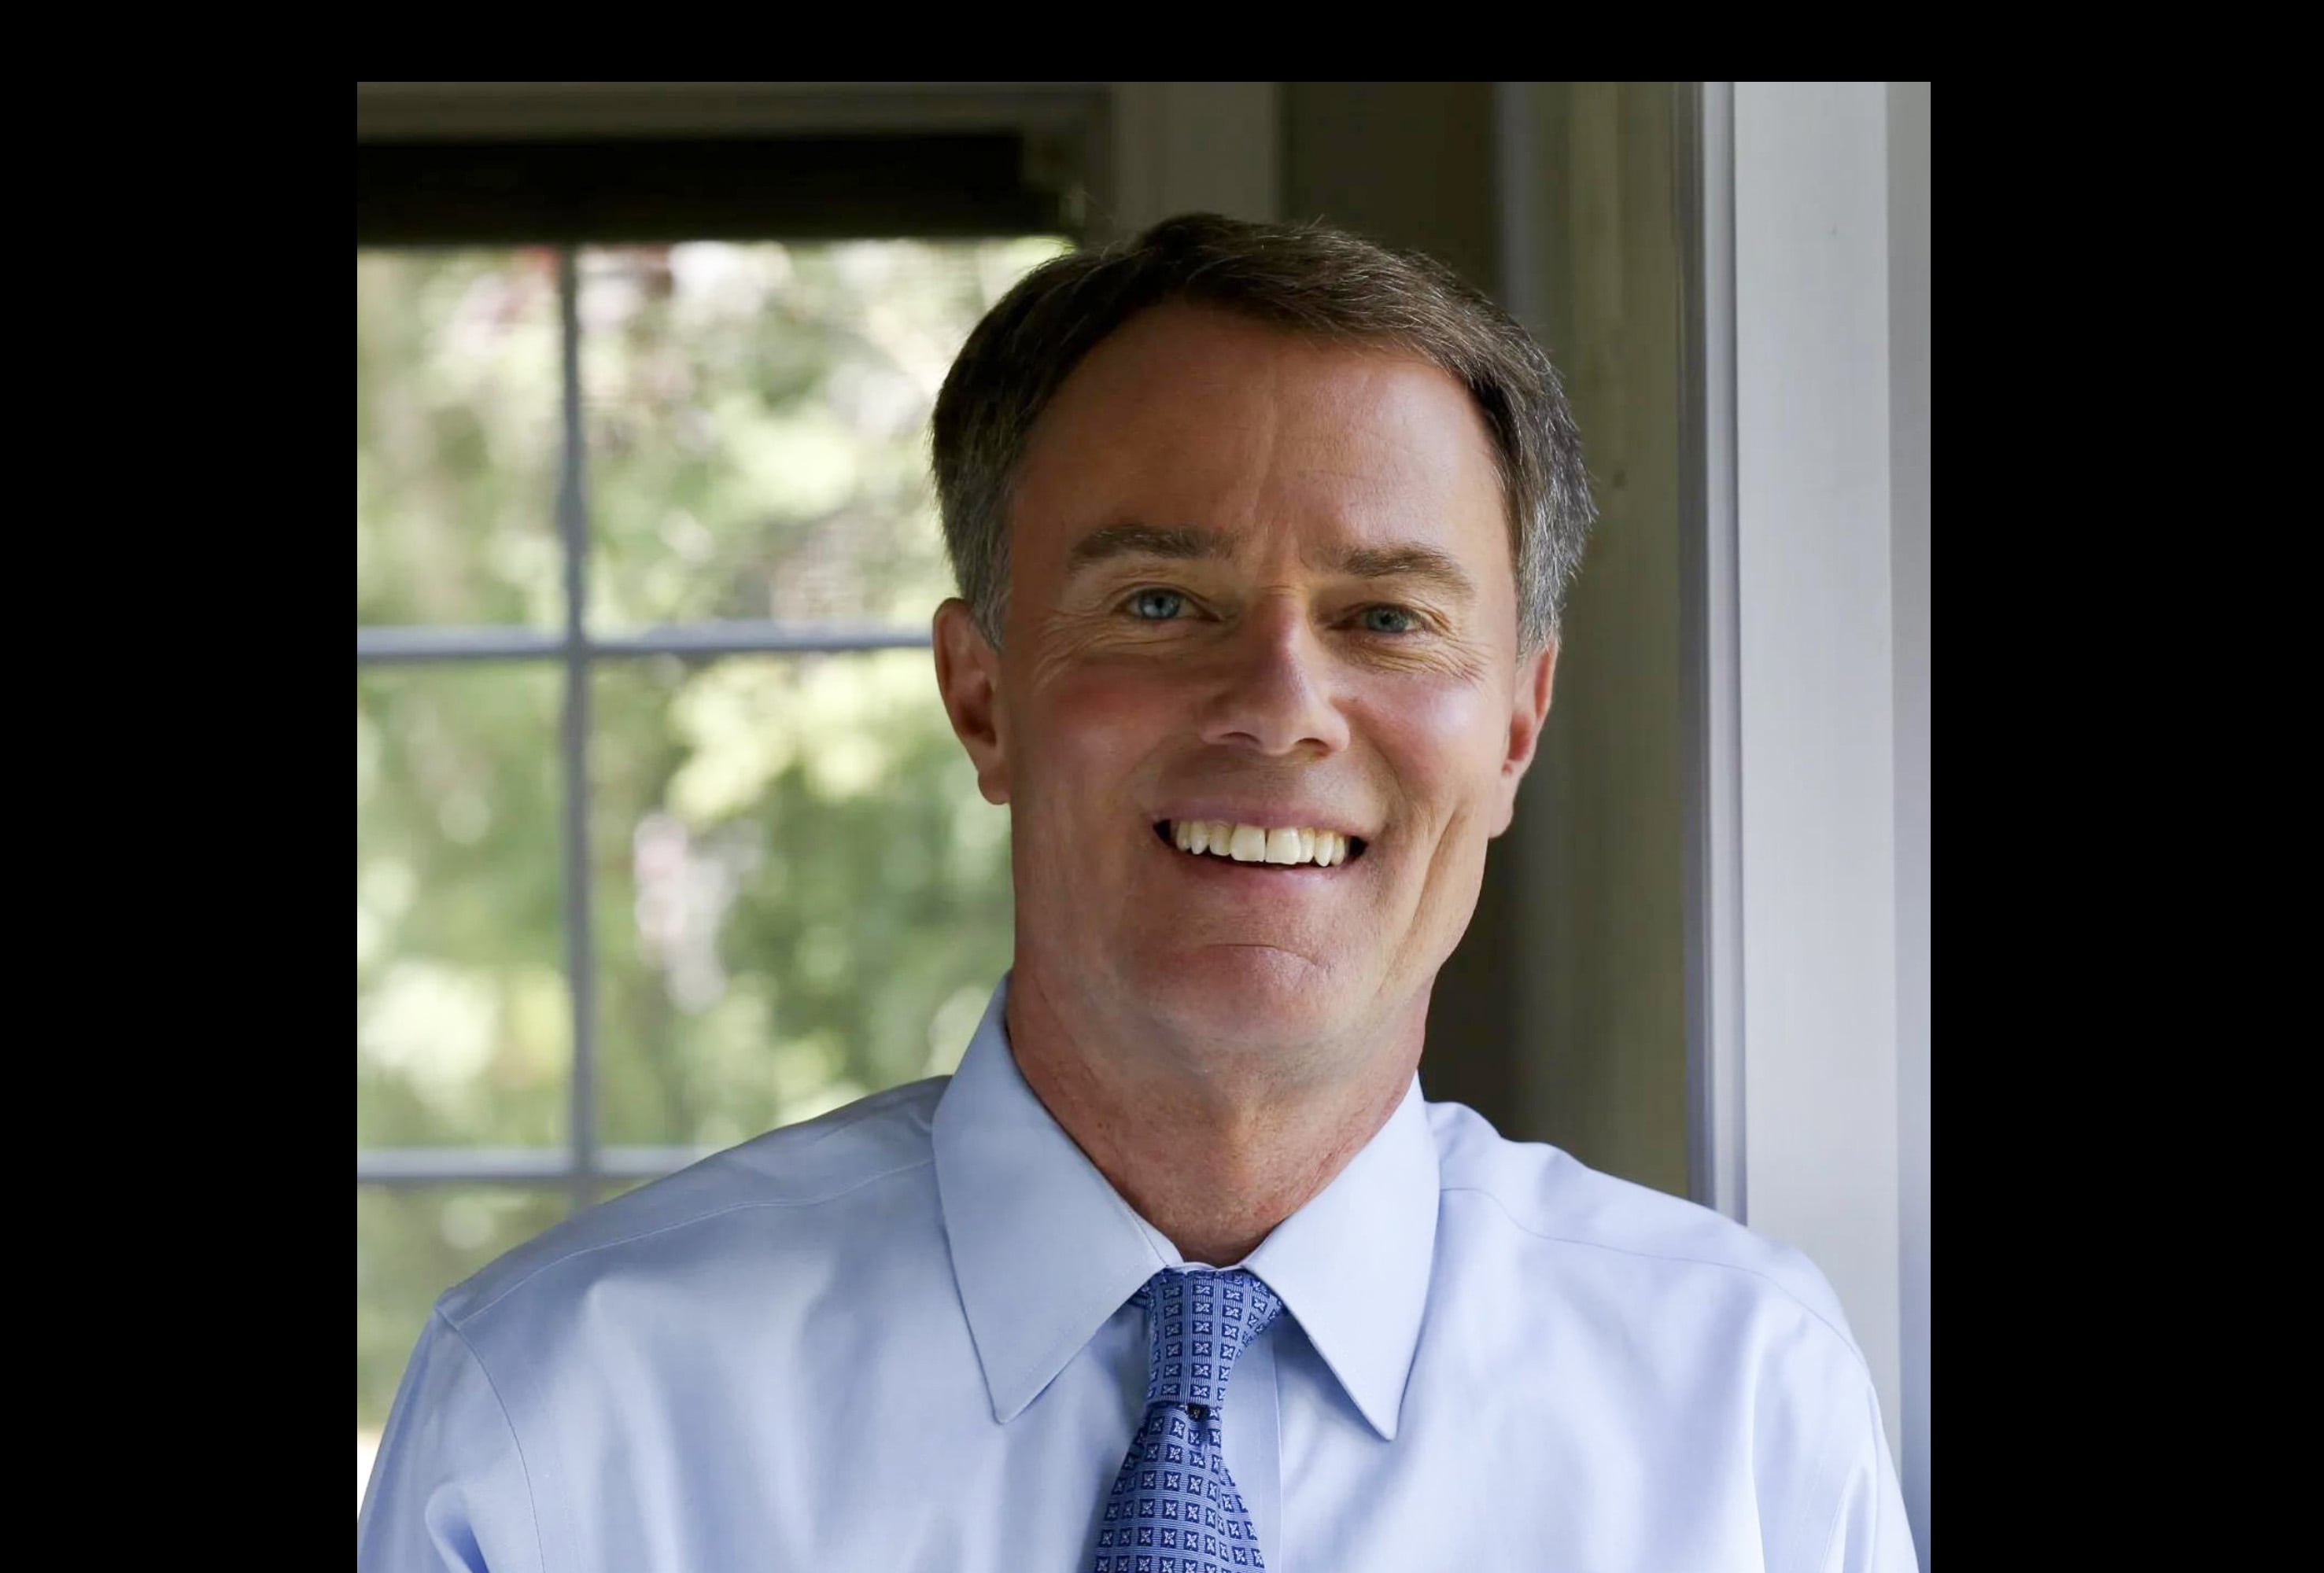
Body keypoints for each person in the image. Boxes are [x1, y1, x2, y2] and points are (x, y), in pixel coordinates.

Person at [359, 213, 1916, 1571]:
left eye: (1386, 617)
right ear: (982, 700)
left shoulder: (1741, 1410)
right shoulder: (564, 1423)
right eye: (1162, 602)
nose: (1284, 702)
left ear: (1515, 728)